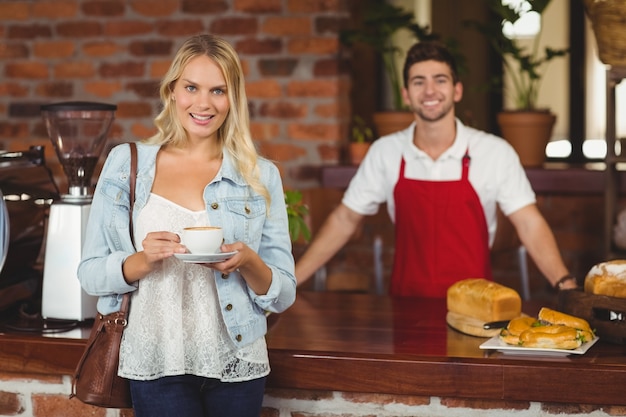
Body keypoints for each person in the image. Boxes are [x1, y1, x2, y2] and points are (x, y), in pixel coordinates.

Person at [77, 34, 296, 417]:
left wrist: (247, 262)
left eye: (218, 90)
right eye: (191, 87)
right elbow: (91, 274)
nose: (203, 103)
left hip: (236, 357)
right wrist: (141, 261)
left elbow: (282, 293)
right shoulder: (126, 164)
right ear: (172, 91)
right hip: (155, 357)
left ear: (233, 99)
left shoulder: (260, 176)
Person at [295, 41, 577, 297]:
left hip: (476, 309)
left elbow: (529, 223)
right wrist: (289, 285)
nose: (429, 91)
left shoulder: (494, 152)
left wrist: (565, 285)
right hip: (404, 306)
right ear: (406, 94)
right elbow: (344, 220)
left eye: (439, 80)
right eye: (419, 82)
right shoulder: (386, 152)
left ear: (457, 90)